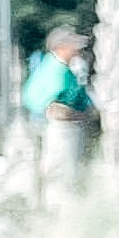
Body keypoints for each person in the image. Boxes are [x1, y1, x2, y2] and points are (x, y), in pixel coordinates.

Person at [21, 19, 93, 172]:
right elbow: (54, 110)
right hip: (58, 131)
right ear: (62, 47)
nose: (78, 50)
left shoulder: (64, 69)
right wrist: (82, 115)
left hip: (64, 129)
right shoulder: (56, 70)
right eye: (74, 46)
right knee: (61, 172)